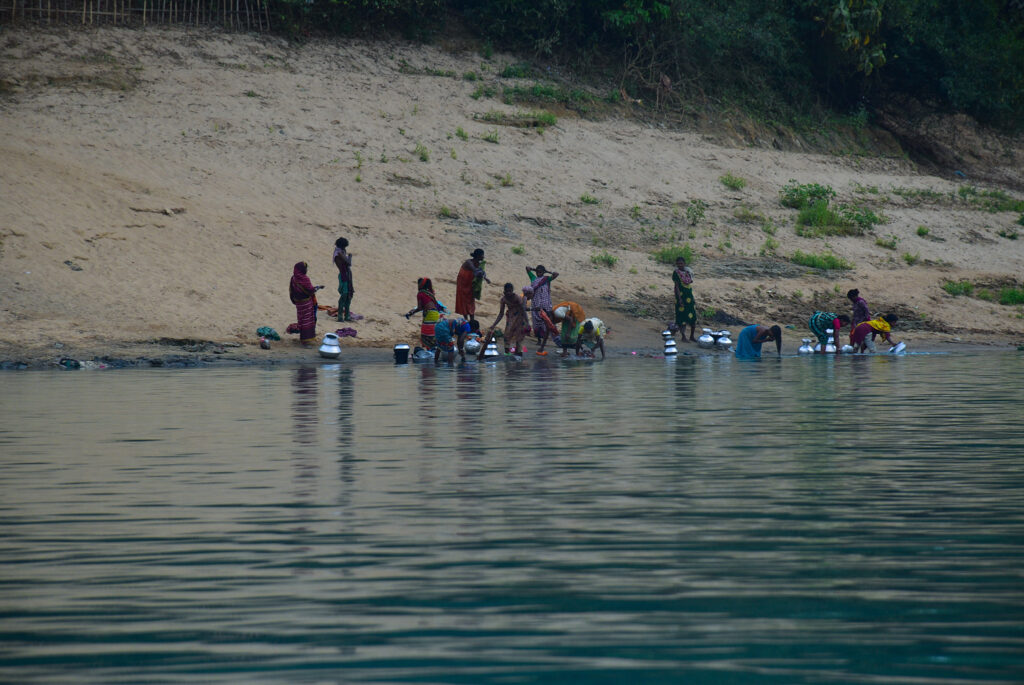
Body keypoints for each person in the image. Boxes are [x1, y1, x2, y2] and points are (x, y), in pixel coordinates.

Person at [526, 265, 559, 355]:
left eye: (540, 271)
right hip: (535, 303)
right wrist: (534, 269)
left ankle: (545, 338)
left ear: (543, 272)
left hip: (545, 303)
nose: (538, 272)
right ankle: (539, 340)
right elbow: (527, 268)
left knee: (546, 321)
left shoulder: (547, 279)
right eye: (537, 271)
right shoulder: (533, 278)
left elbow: (556, 274)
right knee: (536, 321)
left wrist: (547, 271)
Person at [488, 283, 529, 355]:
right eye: (507, 291)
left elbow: (522, 309)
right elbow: (501, 314)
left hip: (520, 316)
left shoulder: (517, 297)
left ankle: (519, 353)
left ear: (512, 291)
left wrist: (527, 322)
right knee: (507, 334)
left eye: (510, 291)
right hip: (511, 317)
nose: (509, 293)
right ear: (504, 292)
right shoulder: (503, 299)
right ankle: (507, 353)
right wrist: (494, 324)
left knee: (519, 335)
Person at [289, 261, 324, 346]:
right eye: (306, 268)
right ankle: (305, 341)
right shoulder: (305, 279)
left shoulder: (293, 278)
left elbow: (291, 291)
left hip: (298, 304)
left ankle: (302, 338)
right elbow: (311, 290)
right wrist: (318, 288)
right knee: (307, 321)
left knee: (301, 320)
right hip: (306, 303)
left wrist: (295, 301)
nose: (307, 270)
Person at [406, 278, 444, 349]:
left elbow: (420, 308)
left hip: (430, 315)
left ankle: (430, 352)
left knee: (426, 334)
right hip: (436, 314)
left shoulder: (420, 293)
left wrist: (411, 313)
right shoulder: (430, 292)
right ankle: (435, 351)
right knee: (433, 334)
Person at [456, 248, 490, 321]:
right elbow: (475, 270)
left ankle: (472, 320)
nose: (483, 257)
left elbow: (481, 272)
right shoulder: (469, 262)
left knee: (471, 301)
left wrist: (486, 278)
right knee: (463, 301)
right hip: (462, 283)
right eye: (482, 255)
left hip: (470, 284)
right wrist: (481, 273)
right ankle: (466, 319)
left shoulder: (479, 264)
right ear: (478, 256)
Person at [672, 256, 697, 342]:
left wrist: (692, 298)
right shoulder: (676, 273)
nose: (680, 265)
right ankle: (683, 337)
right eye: (678, 264)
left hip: (689, 298)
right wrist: (679, 299)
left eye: (681, 263)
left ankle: (692, 336)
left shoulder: (687, 272)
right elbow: (677, 287)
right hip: (681, 298)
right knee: (682, 318)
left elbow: (689, 286)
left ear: (684, 263)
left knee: (693, 318)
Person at [333, 237, 354, 322]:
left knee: (349, 294)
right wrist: (350, 256)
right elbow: (349, 263)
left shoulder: (340, 251)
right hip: (343, 275)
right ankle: (340, 316)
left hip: (346, 274)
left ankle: (347, 316)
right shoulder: (338, 252)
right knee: (345, 294)